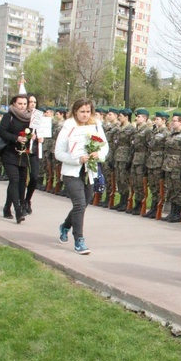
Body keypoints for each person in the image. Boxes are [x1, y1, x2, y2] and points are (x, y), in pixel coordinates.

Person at [54, 98, 108, 254]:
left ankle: (65, 226)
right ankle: (79, 239)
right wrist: (76, 159)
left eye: (88, 111)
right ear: (75, 111)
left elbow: (105, 146)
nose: (85, 115)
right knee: (79, 204)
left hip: (89, 171)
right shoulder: (68, 127)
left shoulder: (96, 125)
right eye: (82, 112)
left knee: (83, 204)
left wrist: (98, 154)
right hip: (72, 172)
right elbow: (58, 153)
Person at [0, 95, 32, 223]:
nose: (22, 106)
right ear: (14, 103)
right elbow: (2, 132)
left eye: (24, 103)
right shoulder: (9, 116)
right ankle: (18, 211)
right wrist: (16, 138)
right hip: (9, 153)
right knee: (14, 179)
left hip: (23, 154)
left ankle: (7, 207)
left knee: (21, 183)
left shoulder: (30, 118)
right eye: (20, 103)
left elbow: (34, 132)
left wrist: (33, 137)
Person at [143, 112, 169, 218]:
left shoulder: (166, 132)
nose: (155, 121)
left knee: (159, 187)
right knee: (153, 186)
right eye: (155, 119)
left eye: (157, 119)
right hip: (152, 161)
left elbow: (165, 149)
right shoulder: (154, 131)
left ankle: (158, 207)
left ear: (164, 120)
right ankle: (153, 208)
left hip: (159, 162)